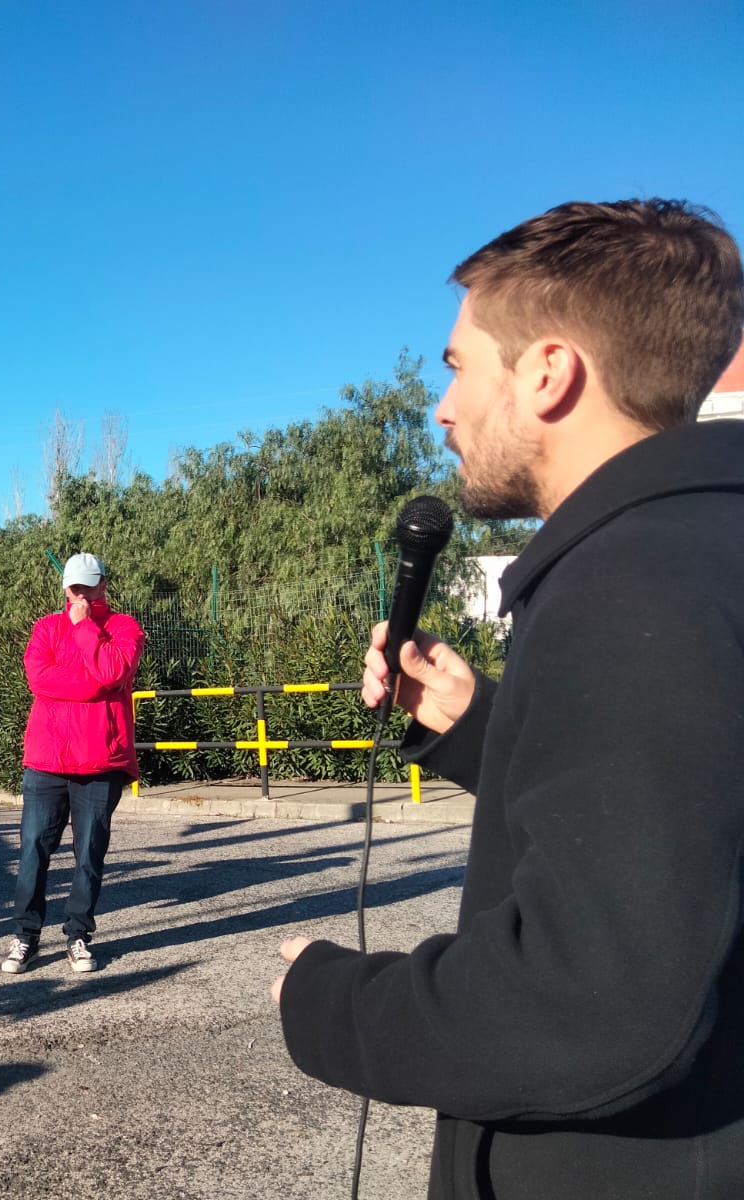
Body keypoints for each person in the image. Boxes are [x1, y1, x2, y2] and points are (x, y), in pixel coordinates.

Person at [271, 199, 744, 1199]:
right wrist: (480, 727)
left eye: (455, 365)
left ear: (546, 371)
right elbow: (695, 823)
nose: (441, 407)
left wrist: (324, 999)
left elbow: (591, 1006)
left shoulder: (632, 583)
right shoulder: (703, 556)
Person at [0, 552, 144, 975]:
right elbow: (39, 679)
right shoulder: (46, 627)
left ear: (103, 585)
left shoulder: (124, 627)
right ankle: (25, 936)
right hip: (47, 761)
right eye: (73, 586)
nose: (79, 593)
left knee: (88, 855)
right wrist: (95, 685)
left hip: (100, 762)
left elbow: (113, 669)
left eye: (87, 585)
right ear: (65, 587)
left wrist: (84, 628)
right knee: (32, 852)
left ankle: (78, 936)